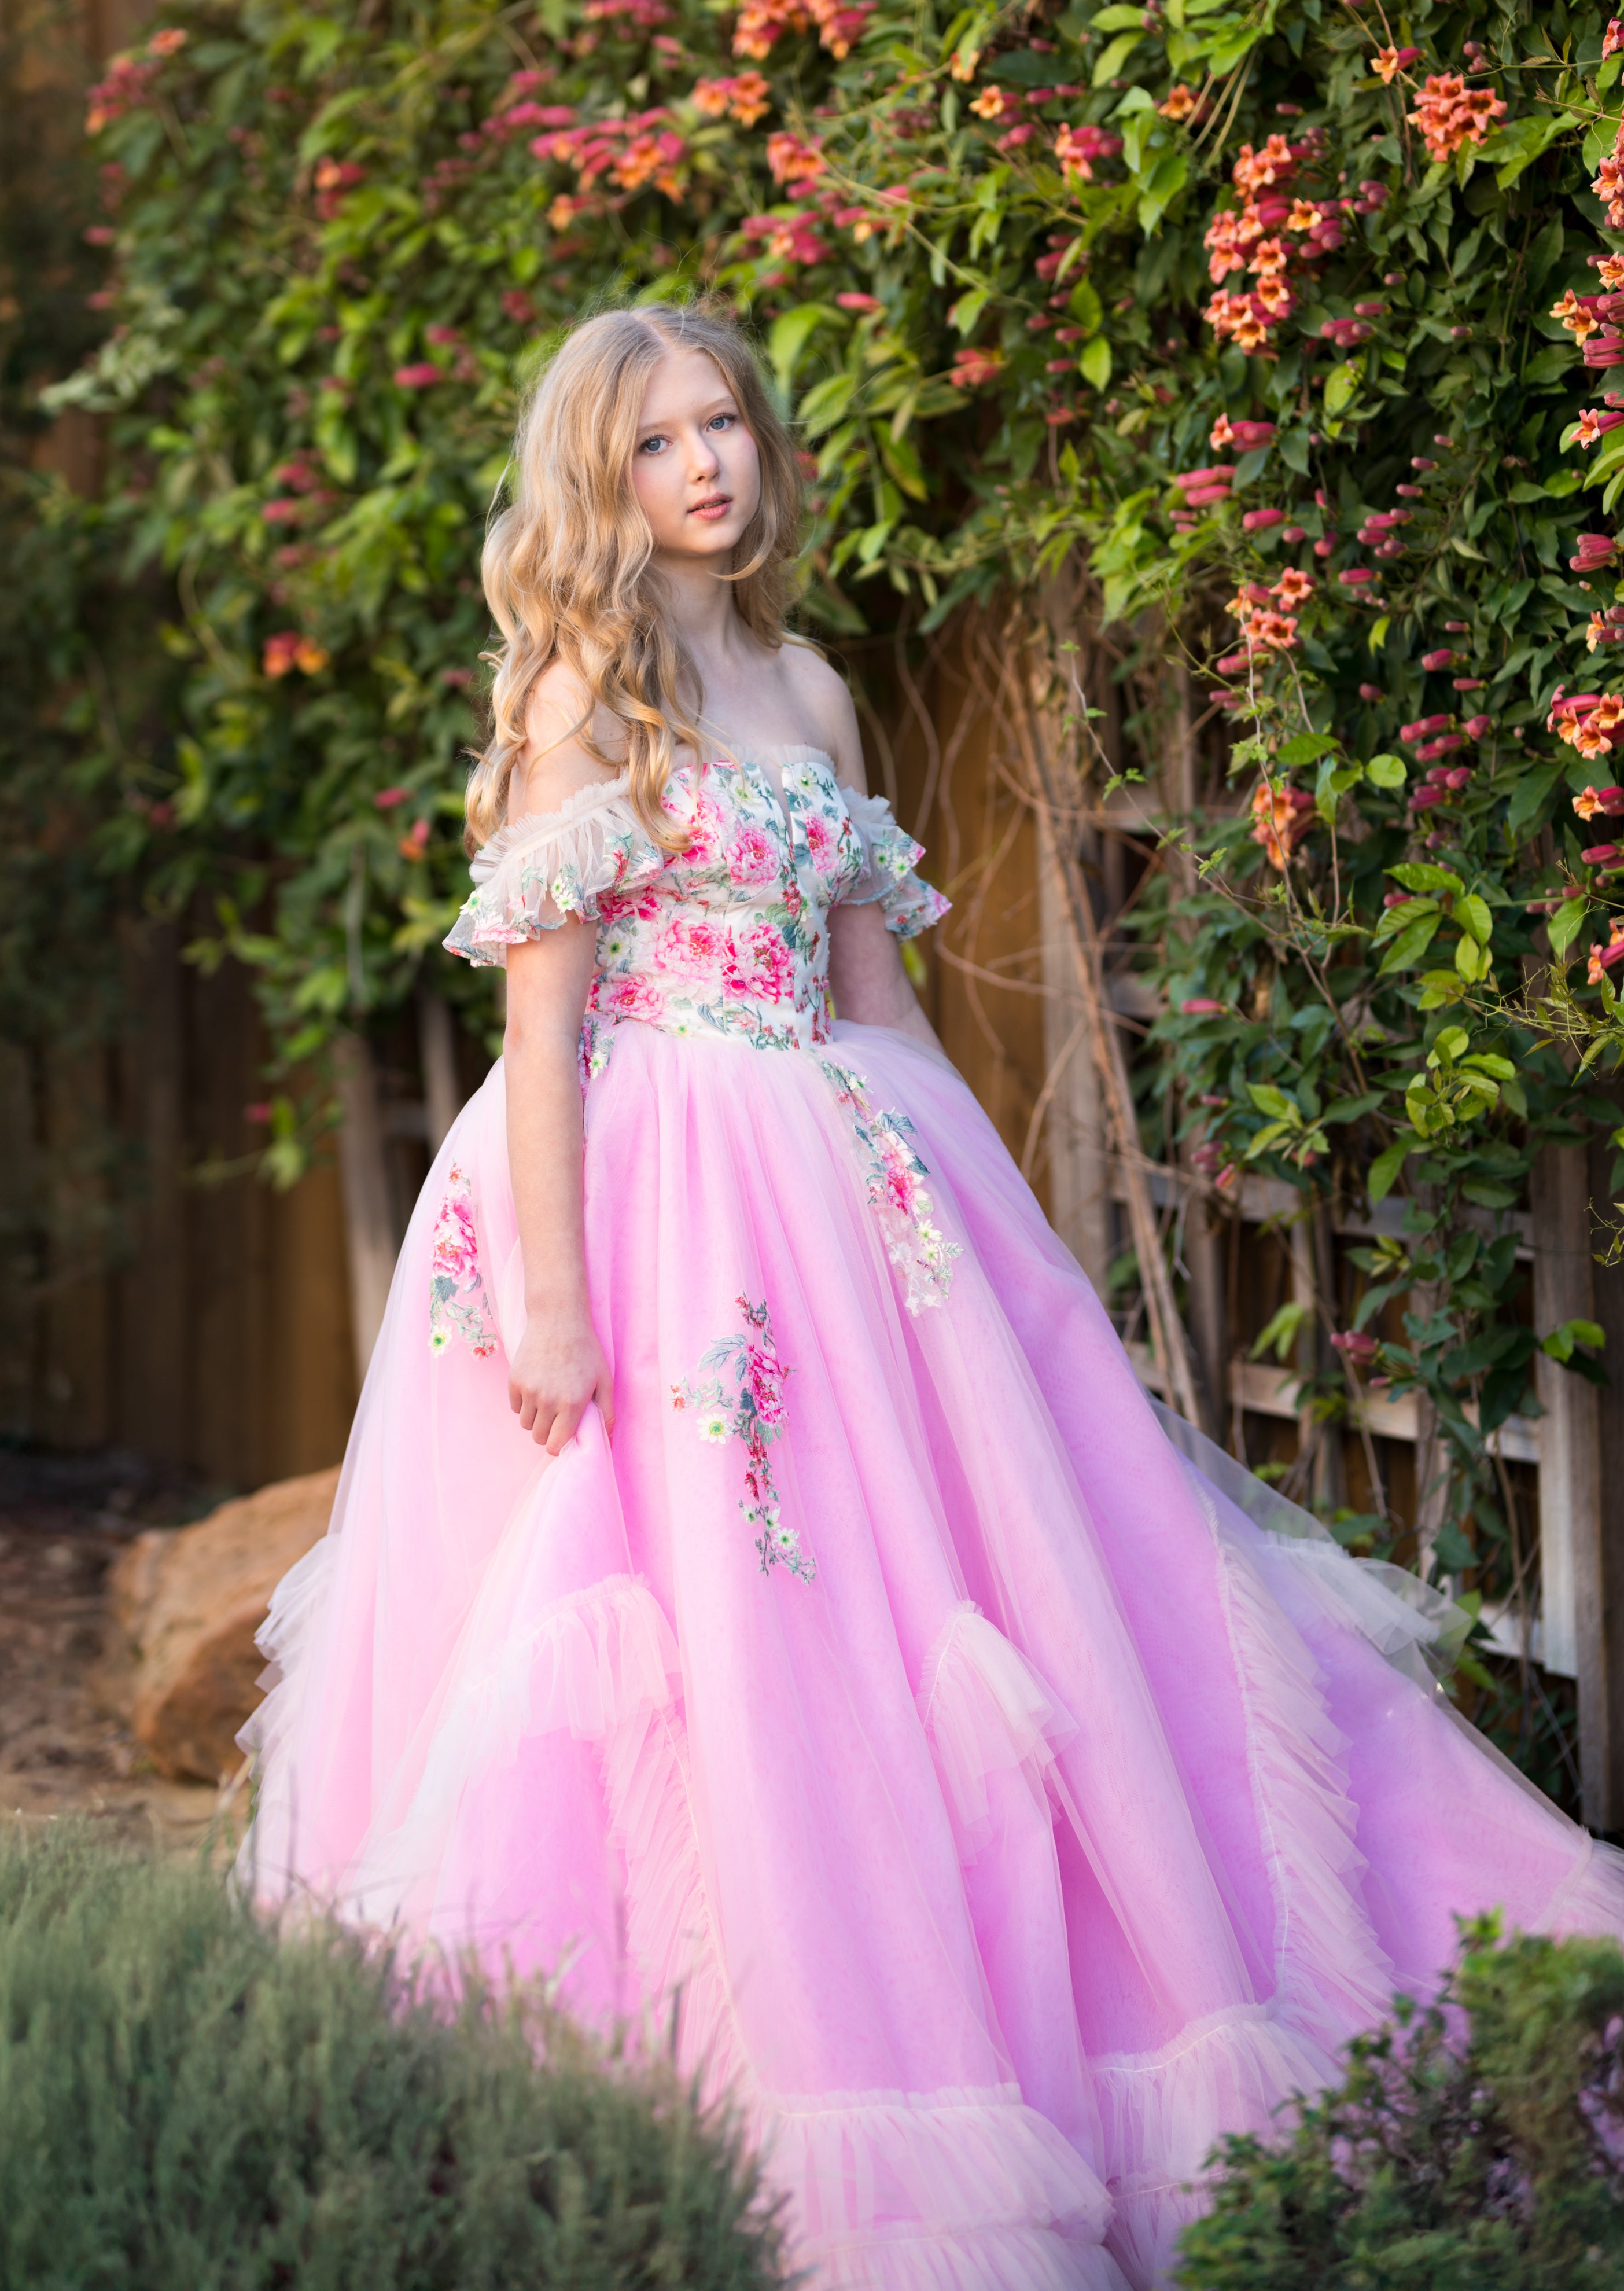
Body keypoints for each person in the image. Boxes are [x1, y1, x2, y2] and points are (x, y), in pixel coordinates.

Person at [240, 301, 1624, 2291]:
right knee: (703, 1622)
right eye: (658, 442)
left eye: (725, 421)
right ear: (597, 481)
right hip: (652, 1196)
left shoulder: (809, 688)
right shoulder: (581, 696)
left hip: (850, 1187)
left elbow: (877, 1003)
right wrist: (556, 1302)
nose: (706, 463)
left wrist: (986, 1250)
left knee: (991, 1596)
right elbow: (539, 1040)